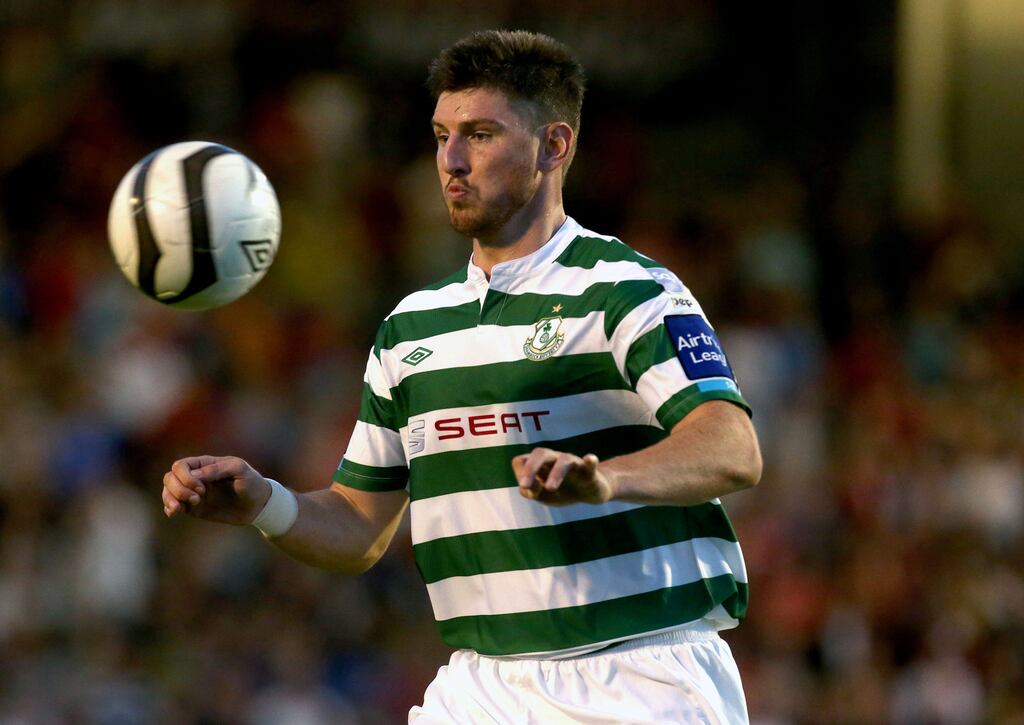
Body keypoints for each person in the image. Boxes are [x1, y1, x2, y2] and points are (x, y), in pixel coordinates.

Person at [161, 29, 762, 724]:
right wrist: (263, 500)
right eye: (442, 134)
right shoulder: (411, 329)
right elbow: (360, 525)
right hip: (480, 687)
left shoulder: (625, 290)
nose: (450, 160)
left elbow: (731, 446)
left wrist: (608, 477)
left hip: (640, 678)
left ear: (554, 146)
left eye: (479, 134)